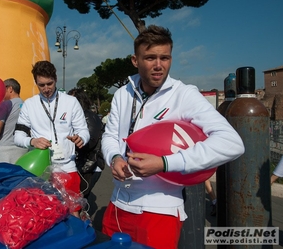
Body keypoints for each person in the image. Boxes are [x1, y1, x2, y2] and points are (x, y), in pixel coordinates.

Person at [101, 25, 245, 248]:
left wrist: (165, 163)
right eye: (150, 58)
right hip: (117, 203)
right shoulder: (122, 93)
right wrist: (114, 158)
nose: (159, 65)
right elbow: (110, 135)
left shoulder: (184, 94)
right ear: (135, 60)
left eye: (165, 58)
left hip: (159, 209)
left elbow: (232, 143)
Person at [14, 61, 89, 217]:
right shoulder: (29, 105)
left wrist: (81, 138)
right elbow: (18, 136)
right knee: (44, 215)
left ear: (55, 79)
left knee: (73, 213)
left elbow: (83, 130)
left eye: (50, 83)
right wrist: (32, 141)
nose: (46, 89)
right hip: (41, 169)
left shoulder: (71, 102)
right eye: (41, 85)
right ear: (36, 83)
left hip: (67, 166)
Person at [68, 88, 104, 199]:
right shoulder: (77, 116)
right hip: (82, 164)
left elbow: (90, 141)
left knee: (79, 200)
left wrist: (70, 145)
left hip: (90, 165)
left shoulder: (88, 116)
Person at [0, 78, 28, 164]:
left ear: (10, 89)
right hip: (23, 151)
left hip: (5, 152)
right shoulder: (27, 105)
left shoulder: (6, 104)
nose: (0, 94)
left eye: (2, 90)